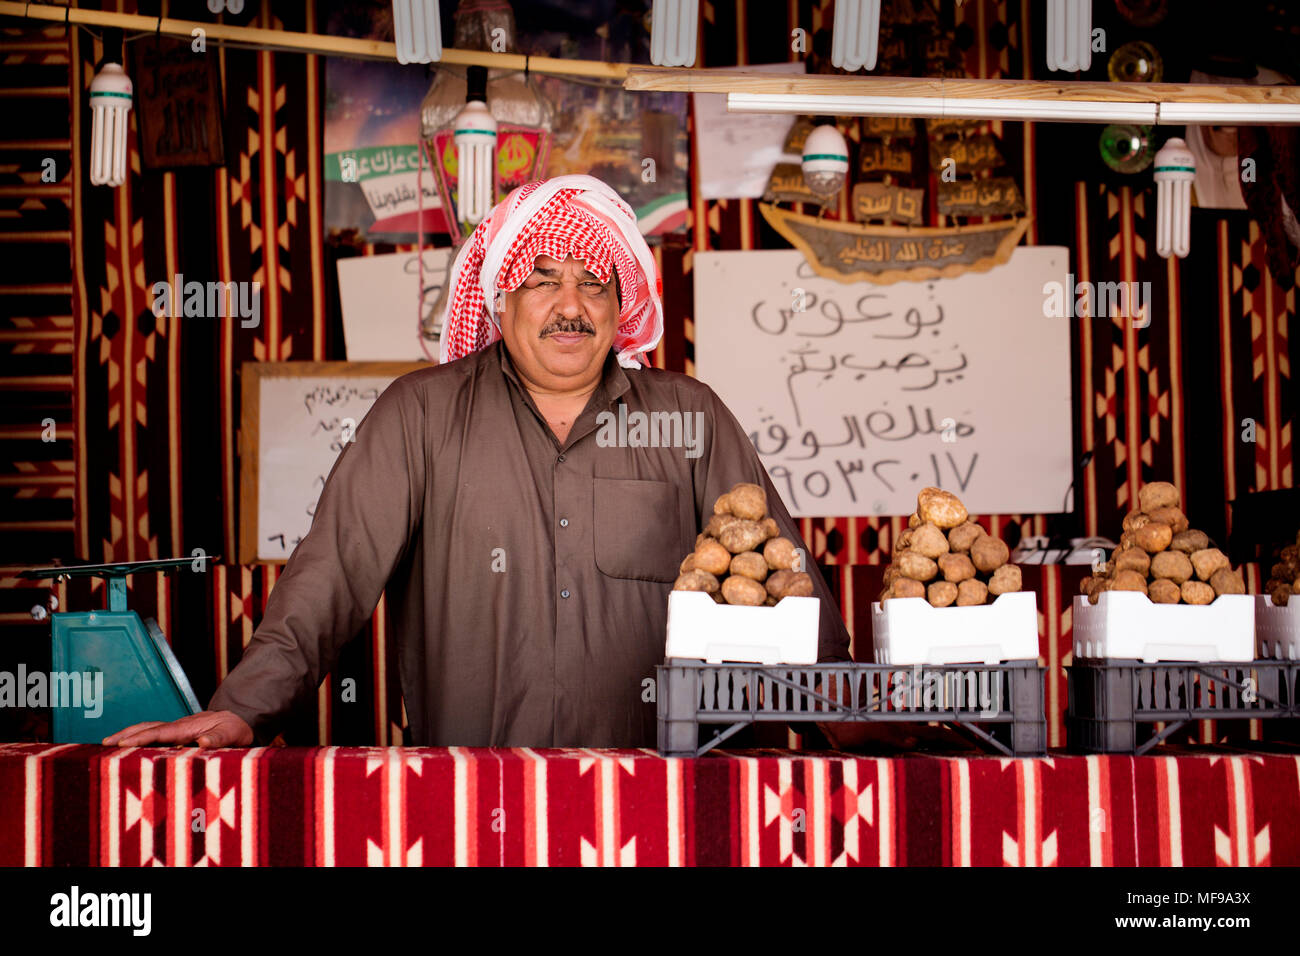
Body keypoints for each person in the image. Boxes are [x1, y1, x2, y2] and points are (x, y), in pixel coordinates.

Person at [104, 174, 852, 750]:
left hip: (659, 802)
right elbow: (331, 572)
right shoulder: (420, 416)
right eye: (544, 280)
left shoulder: (690, 417)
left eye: (595, 283)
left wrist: (858, 720)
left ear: (621, 306)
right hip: (469, 806)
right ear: (499, 301)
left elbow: (785, 583)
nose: (572, 305)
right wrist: (241, 709)